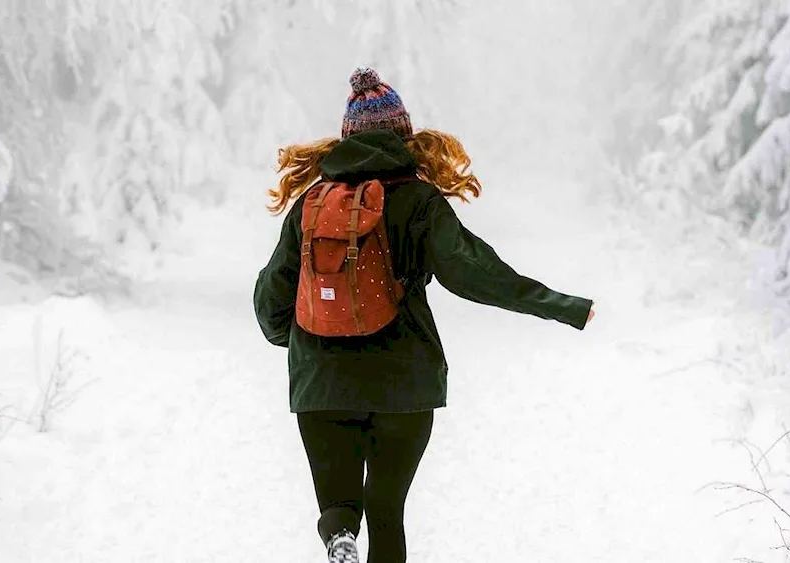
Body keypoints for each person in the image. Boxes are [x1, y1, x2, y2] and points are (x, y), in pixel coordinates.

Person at [253, 68, 595, 563]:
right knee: (387, 509)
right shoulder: (419, 202)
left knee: (340, 501)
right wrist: (561, 306)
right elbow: (475, 273)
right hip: (404, 384)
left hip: (321, 384)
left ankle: (340, 536)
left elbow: (272, 302)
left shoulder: (312, 204)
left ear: (346, 138)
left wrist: (310, 345)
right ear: (405, 137)